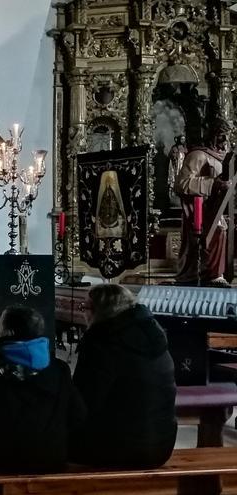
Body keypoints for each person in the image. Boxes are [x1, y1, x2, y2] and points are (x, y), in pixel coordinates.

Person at [70, 284, 176, 469]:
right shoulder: (154, 335)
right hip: (161, 445)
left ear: (99, 310)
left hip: (117, 449)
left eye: (84, 307)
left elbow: (83, 402)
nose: (83, 313)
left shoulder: (101, 341)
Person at [0, 305, 85, 473]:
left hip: (3, 459)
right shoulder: (59, 369)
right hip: (52, 457)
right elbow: (78, 414)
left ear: (8, 332)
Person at [174, 119, 233, 287]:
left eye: (226, 137)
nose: (224, 142)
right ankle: (206, 274)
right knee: (211, 235)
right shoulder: (198, 155)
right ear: (211, 136)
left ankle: (216, 274)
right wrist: (213, 183)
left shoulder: (222, 160)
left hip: (215, 208)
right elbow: (182, 183)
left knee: (220, 231)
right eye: (220, 136)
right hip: (199, 209)